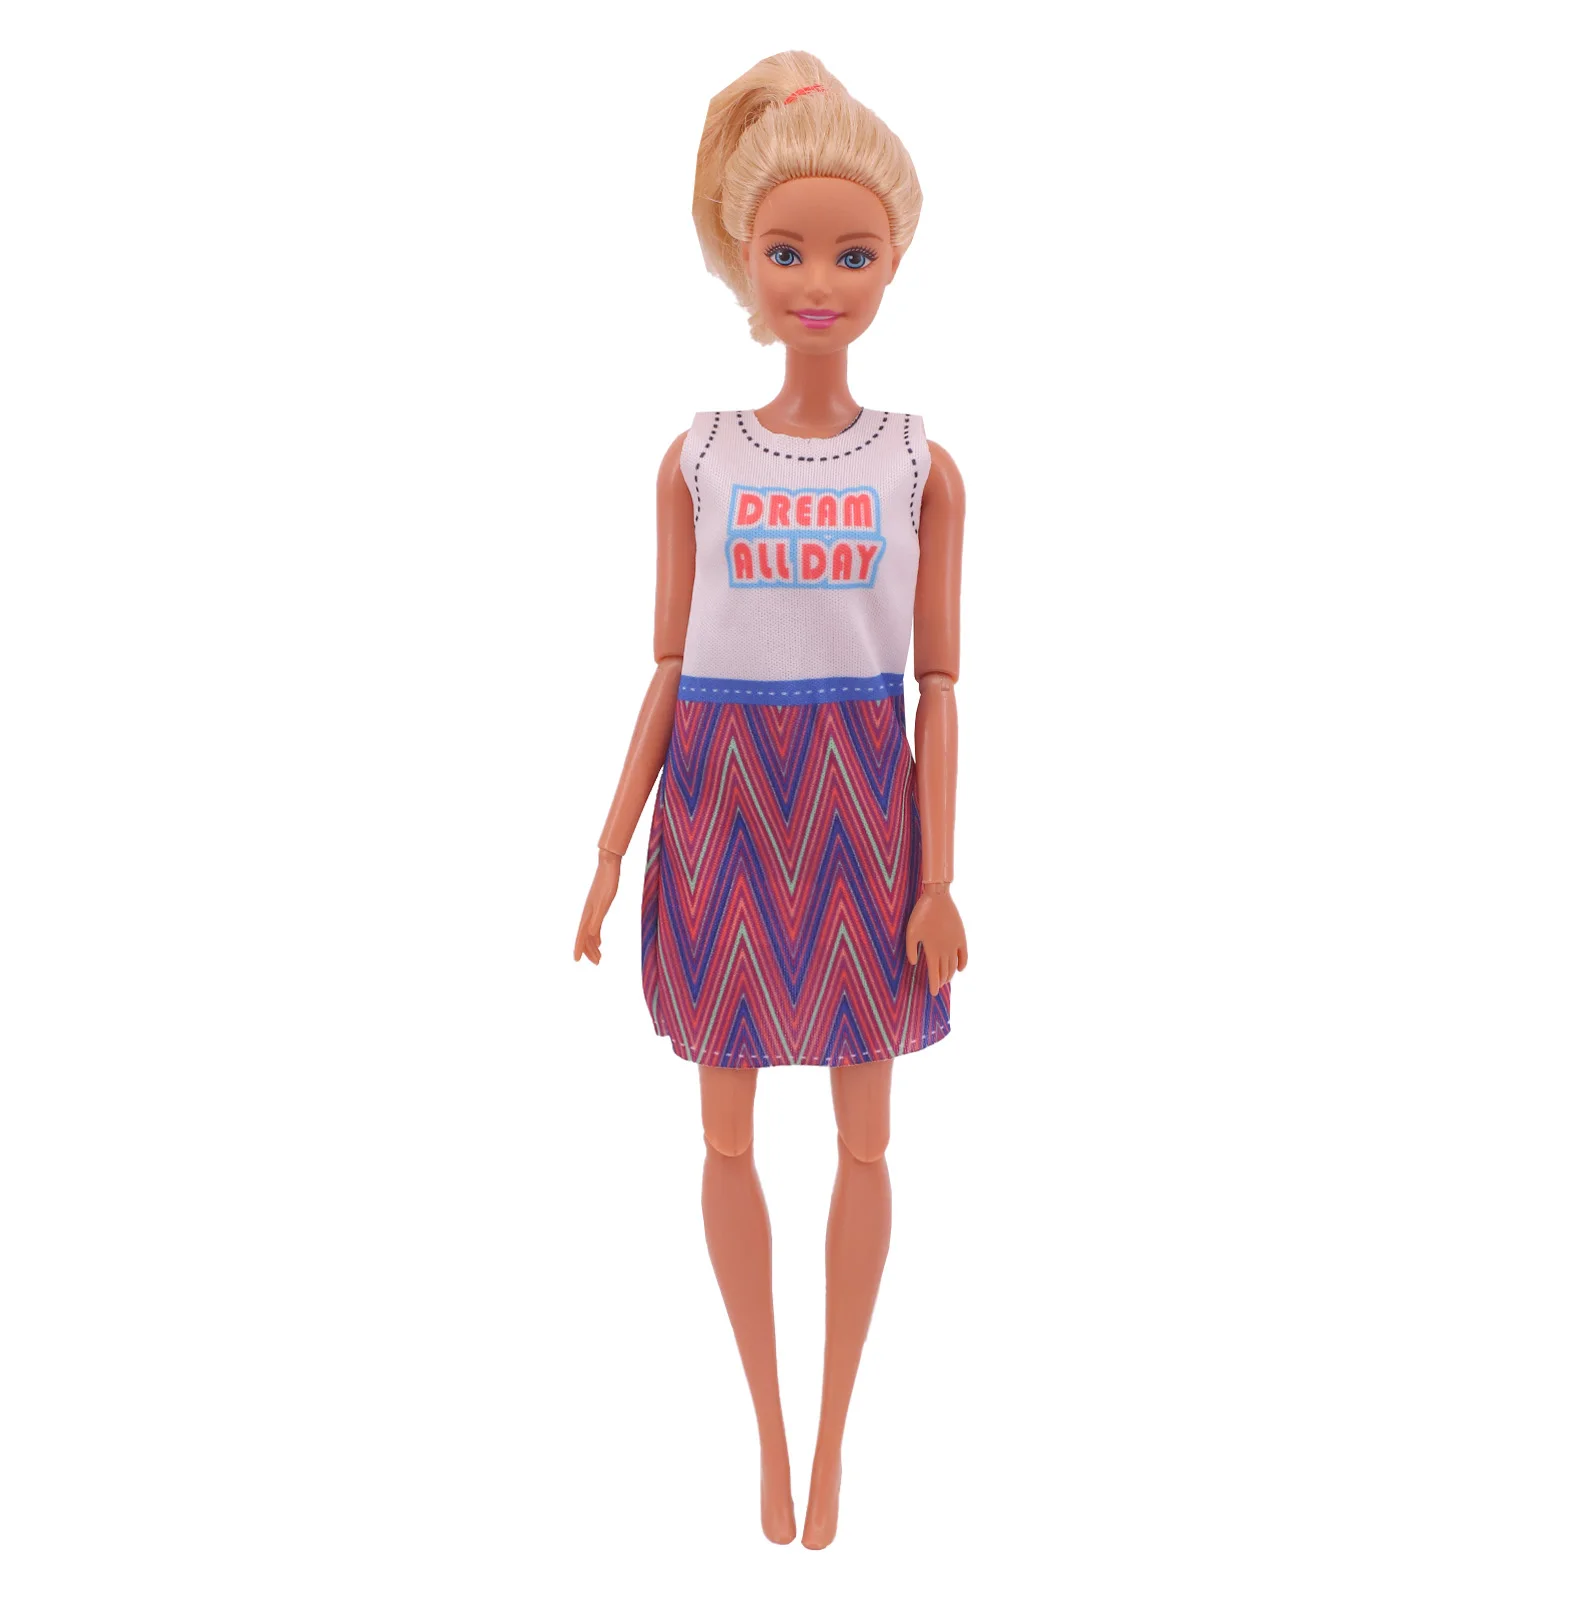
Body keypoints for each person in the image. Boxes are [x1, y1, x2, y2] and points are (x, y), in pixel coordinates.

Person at [572, 51, 968, 1549]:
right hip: (723, 809)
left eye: (852, 254)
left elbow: (939, 689)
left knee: (866, 1145)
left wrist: (939, 875)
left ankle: (837, 1438)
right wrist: (610, 849)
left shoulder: (920, 466)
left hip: (863, 817)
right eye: (788, 251)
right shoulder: (701, 459)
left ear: (894, 260)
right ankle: (767, 1434)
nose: (818, 281)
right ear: (741, 254)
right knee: (727, 1140)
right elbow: (670, 666)